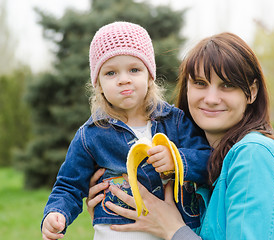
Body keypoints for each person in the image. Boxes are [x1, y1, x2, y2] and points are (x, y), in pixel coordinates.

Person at [86, 32, 274, 239]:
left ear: (251, 92)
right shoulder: (201, 163)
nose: (211, 99)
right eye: (200, 83)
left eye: (227, 85)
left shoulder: (254, 154)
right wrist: (114, 211)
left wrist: (173, 228)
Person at [41, 21, 211, 240]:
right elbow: (68, 184)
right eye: (111, 73)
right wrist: (56, 213)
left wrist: (177, 159)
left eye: (134, 69)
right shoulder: (91, 134)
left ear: (150, 77)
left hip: (171, 230)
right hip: (116, 233)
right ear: (98, 85)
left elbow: (208, 160)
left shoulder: (175, 121)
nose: (124, 80)